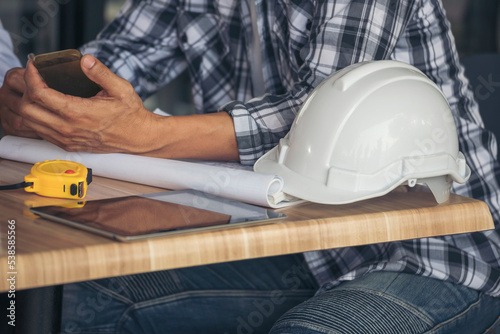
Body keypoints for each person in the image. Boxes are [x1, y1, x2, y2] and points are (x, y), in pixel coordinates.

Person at [1, 0, 500, 332]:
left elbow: (319, 113)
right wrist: (48, 101)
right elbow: (117, 58)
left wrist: (148, 135)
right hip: (294, 236)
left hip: (432, 254)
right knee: (85, 297)